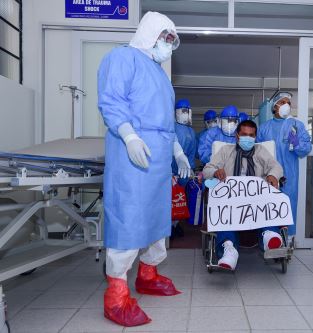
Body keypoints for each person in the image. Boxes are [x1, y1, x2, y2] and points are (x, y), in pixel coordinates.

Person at [97, 12, 189, 327]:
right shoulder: (122, 58)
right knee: (129, 217)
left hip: (160, 158)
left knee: (156, 217)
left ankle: (148, 273)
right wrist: (129, 135)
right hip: (131, 155)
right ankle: (117, 294)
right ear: (150, 33)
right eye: (165, 37)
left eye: (172, 41)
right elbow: (111, 101)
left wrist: (177, 151)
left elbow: (165, 122)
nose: (169, 46)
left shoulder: (161, 76)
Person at [203, 120, 284, 270]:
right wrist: (215, 171)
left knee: (267, 207)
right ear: (237, 136)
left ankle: (269, 235)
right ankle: (229, 249)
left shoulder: (260, 151)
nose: (248, 138)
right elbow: (207, 169)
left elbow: (276, 167)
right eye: (244, 135)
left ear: (256, 136)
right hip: (230, 200)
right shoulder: (226, 151)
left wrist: (273, 175)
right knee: (224, 212)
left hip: (257, 200)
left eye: (251, 135)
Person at [257, 92, 312, 235]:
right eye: (282, 102)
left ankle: (288, 239)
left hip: (289, 175)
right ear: (274, 107)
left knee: (288, 205)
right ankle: (270, 237)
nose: (286, 105)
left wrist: (297, 143)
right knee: (268, 205)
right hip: (268, 174)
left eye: (289, 103)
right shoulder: (264, 127)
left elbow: (305, 149)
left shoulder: (296, 125)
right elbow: (257, 152)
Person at [171, 99, 196, 238]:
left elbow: (192, 152)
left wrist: (190, 168)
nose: (185, 114)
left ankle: (175, 224)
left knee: (181, 200)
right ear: (176, 113)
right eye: (183, 111)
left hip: (184, 172)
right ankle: (168, 226)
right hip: (170, 172)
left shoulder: (191, 132)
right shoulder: (171, 128)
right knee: (169, 200)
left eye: (187, 111)